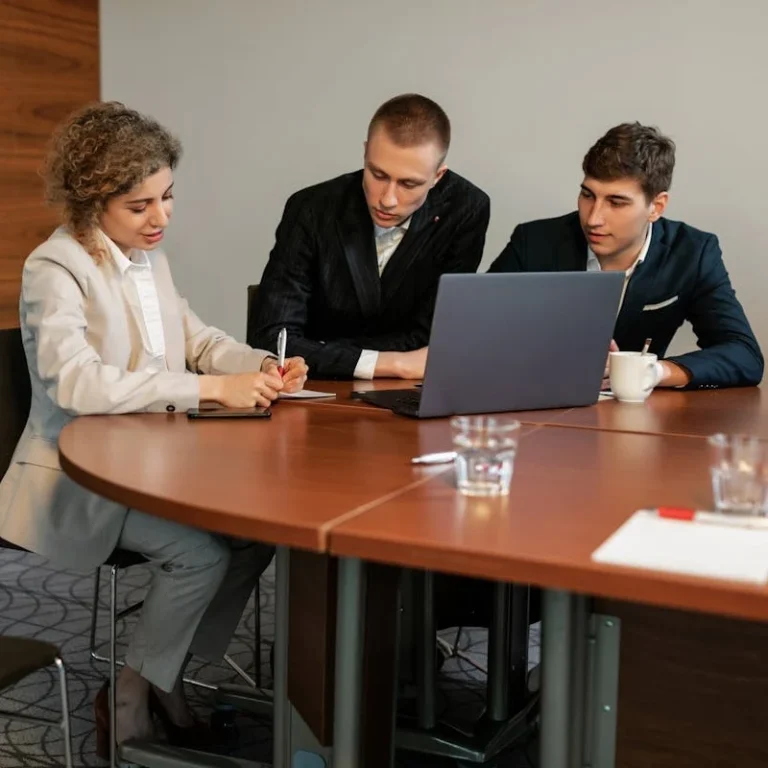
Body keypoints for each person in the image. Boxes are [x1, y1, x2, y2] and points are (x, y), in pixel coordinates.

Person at [0, 101, 308, 757]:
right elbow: (75, 382)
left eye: (168, 197)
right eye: (141, 205)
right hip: (77, 474)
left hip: (154, 461)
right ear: (91, 200)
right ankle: (134, 692)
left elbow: (195, 339)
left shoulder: (148, 258)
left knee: (254, 540)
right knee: (200, 554)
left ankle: (165, 671)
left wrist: (261, 365)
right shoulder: (54, 269)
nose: (162, 217)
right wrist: (208, 389)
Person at [489, 122, 763, 389]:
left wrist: (653, 371)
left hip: (635, 419)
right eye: (587, 195)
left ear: (656, 206)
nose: (593, 218)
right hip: (535, 407)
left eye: (616, 202)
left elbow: (744, 355)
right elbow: (479, 335)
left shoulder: (692, 253)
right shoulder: (534, 242)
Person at [247, 93, 491, 380]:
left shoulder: (466, 209)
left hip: (409, 394)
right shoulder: (311, 208)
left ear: (438, 176)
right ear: (365, 152)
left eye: (409, 184)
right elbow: (273, 341)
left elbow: (431, 338)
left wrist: (325, 352)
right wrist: (392, 363)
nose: (387, 199)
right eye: (377, 174)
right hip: (315, 391)